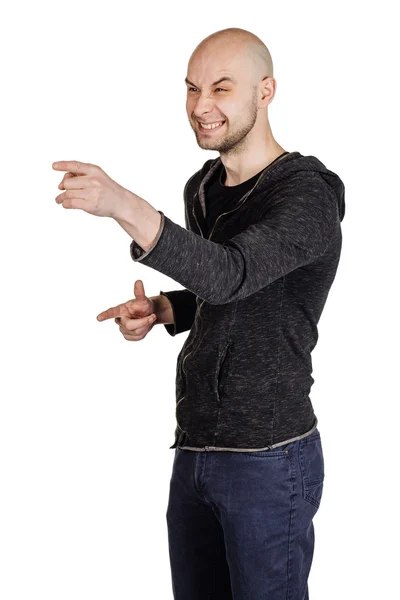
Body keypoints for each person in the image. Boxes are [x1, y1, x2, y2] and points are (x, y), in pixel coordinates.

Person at [93, 27, 346, 600]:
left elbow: (233, 273)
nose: (201, 107)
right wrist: (163, 308)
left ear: (266, 90)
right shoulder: (203, 188)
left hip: (269, 457)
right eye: (191, 89)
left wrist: (125, 207)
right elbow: (235, 291)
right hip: (195, 447)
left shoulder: (309, 196)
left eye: (221, 88)